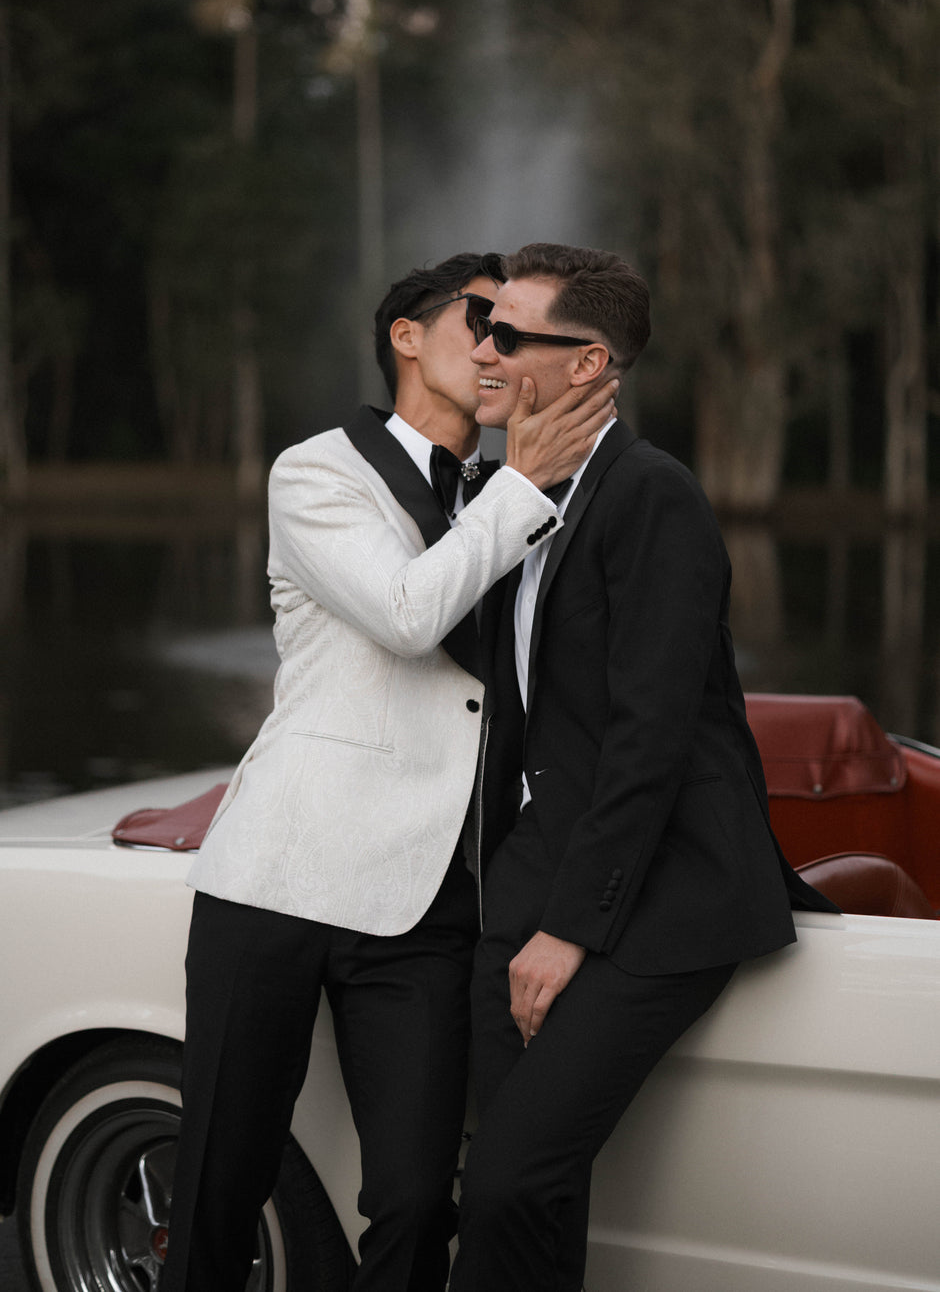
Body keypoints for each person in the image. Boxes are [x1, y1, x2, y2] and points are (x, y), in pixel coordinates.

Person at [158, 249, 616, 1292]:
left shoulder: (529, 499)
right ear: (405, 337)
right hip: (276, 878)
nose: (503, 348)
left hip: (424, 906)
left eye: (519, 334)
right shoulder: (316, 471)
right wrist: (524, 487)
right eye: (482, 323)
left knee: (416, 1200)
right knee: (220, 1180)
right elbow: (409, 615)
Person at [448, 242, 839, 1292]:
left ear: (586, 365)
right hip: (527, 880)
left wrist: (569, 929)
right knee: (534, 1192)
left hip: (661, 891)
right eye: (483, 324)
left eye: (509, 333)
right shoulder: (509, 499)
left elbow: (649, 737)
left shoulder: (652, 495)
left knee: (504, 1186)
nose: (480, 345)